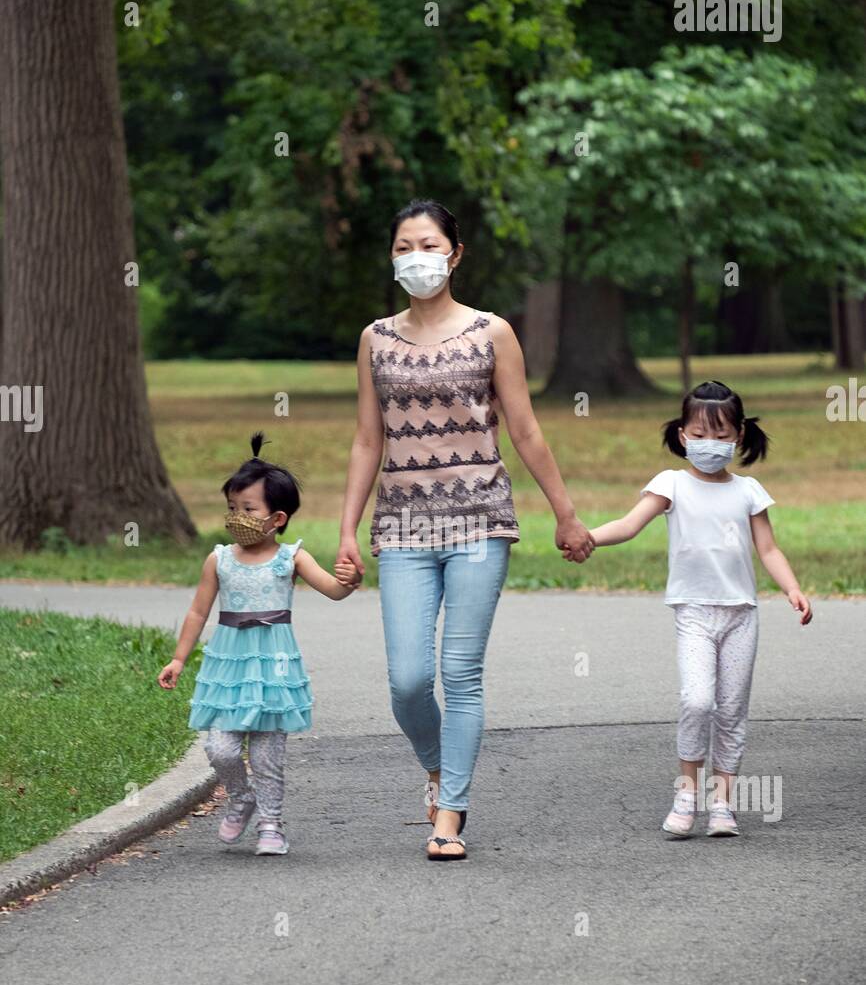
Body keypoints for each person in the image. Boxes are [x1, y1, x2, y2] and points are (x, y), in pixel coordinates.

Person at [336, 198, 594, 861]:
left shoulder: (492, 332)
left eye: (428, 244)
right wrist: (346, 532)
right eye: (403, 246)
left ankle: (450, 812)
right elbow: (368, 439)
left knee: (460, 671)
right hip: (402, 528)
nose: (415, 256)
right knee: (407, 681)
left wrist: (565, 514)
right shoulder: (375, 339)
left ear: (455, 253)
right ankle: (435, 766)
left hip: (480, 519)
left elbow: (526, 430)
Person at [590, 380, 812, 838]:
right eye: (700, 433)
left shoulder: (749, 490)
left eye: (721, 434)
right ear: (682, 435)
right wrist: (588, 537)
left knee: (731, 710)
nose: (710, 443)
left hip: (741, 615)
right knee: (697, 700)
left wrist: (792, 588)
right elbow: (630, 525)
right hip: (693, 612)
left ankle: (723, 804)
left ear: (739, 437)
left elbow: (768, 549)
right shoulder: (670, 484)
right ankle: (686, 793)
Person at [158, 433, 361, 855]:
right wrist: (179, 658)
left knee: (268, 756)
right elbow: (198, 611)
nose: (237, 517)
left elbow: (333, 590)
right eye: (233, 508)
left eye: (248, 509)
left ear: (278, 518)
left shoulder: (292, 558)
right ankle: (241, 797)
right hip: (227, 667)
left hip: (274, 668)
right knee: (220, 746)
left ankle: (272, 824)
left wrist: (350, 581)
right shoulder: (219, 559)